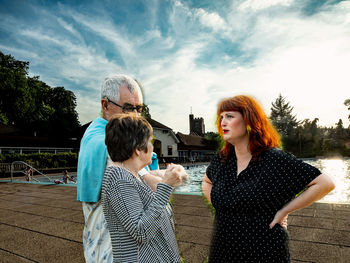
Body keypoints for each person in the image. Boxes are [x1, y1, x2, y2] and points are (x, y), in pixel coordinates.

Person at [202, 95, 335, 263]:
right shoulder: (222, 159)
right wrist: (218, 204)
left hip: (264, 251)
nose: (223, 122)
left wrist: (284, 211)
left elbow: (325, 183)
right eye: (221, 117)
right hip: (222, 250)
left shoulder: (274, 159)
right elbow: (206, 181)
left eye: (229, 116)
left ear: (249, 120)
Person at [77, 74, 187, 263]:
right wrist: (173, 177)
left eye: (139, 109)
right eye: (128, 108)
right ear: (105, 105)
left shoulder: (94, 133)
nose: (135, 115)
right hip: (114, 250)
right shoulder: (114, 145)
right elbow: (152, 185)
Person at [102, 113, 186, 262]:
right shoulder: (119, 178)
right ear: (137, 149)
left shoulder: (132, 175)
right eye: (150, 142)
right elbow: (141, 232)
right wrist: (165, 186)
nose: (153, 147)